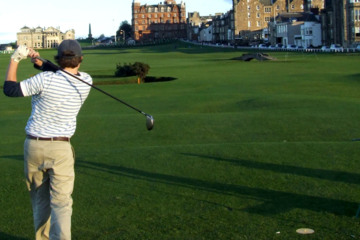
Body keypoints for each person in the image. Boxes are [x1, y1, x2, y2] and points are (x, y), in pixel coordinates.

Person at [3, 40, 92, 240]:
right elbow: (62, 71)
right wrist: (37, 60)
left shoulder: (43, 80)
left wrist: (16, 59)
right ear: (81, 59)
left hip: (34, 146)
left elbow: (10, 89)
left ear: (58, 58)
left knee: (40, 201)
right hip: (61, 148)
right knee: (61, 203)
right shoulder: (87, 80)